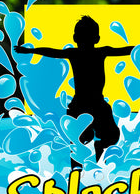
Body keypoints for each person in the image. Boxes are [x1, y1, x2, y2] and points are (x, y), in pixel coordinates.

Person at [17, 15, 134, 161]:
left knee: (82, 141)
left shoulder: (78, 53)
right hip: (91, 104)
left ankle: (82, 164)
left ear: (75, 38)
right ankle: (91, 158)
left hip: (83, 105)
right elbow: (126, 50)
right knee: (95, 138)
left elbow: (52, 52)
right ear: (97, 38)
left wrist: (30, 51)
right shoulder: (98, 52)